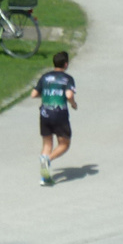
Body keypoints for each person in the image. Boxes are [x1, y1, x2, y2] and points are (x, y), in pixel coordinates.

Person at [31, 51, 76, 187]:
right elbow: (68, 95)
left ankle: (45, 178)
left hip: (45, 113)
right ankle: (48, 160)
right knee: (65, 143)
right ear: (66, 64)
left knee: (47, 143)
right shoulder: (67, 79)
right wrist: (73, 104)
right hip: (59, 113)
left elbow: (34, 94)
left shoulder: (45, 77)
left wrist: (46, 95)